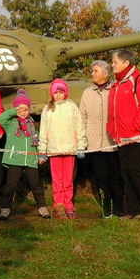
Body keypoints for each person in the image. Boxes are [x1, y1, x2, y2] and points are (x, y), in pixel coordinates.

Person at [108, 49, 140, 219]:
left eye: (115, 62)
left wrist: (135, 126)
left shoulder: (139, 81)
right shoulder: (116, 85)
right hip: (121, 137)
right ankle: (133, 210)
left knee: (135, 170)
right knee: (125, 171)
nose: (112, 65)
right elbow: (113, 112)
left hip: (137, 136)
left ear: (126, 63)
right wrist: (112, 129)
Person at [79, 60, 124, 219]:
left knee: (115, 177)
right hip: (94, 143)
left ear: (105, 74)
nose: (92, 73)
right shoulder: (87, 93)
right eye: (92, 71)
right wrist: (83, 140)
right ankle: (106, 208)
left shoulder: (116, 89)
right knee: (100, 178)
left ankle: (119, 207)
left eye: (95, 71)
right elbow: (82, 117)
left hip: (112, 142)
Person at [0, 89, 50, 221]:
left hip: (30, 159)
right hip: (15, 159)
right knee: (11, 185)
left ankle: (42, 207)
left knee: (36, 185)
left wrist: (40, 154)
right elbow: (0, 118)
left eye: (25, 109)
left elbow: (37, 141)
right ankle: (5, 209)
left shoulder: (32, 125)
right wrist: (13, 111)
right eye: (20, 109)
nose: (23, 112)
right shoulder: (10, 124)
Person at [39, 78, 87, 219]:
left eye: (61, 92)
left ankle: (68, 206)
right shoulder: (47, 109)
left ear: (65, 93)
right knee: (57, 180)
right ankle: (59, 205)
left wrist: (81, 146)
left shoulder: (72, 107)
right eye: (56, 92)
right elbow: (43, 132)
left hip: (69, 149)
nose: (58, 95)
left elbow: (79, 128)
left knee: (67, 180)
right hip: (54, 151)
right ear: (52, 94)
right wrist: (42, 150)